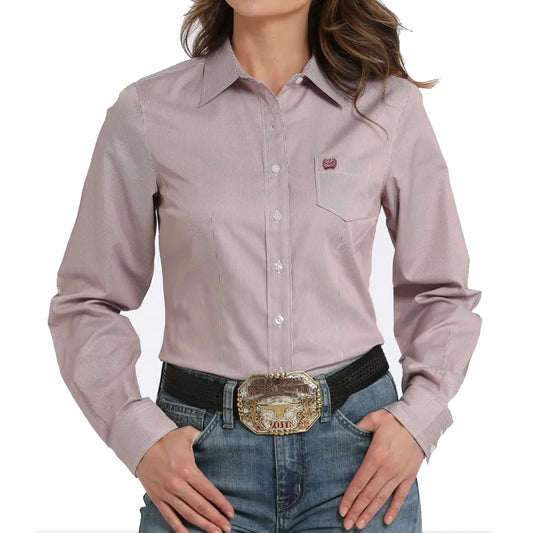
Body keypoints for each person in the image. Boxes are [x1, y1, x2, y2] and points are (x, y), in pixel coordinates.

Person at [47, 1, 483, 532]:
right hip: (199, 465)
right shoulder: (146, 112)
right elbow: (86, 301)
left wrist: (418, 420)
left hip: (359, 456)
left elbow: (441, 289)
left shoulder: (388, 107)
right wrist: (137, 436)